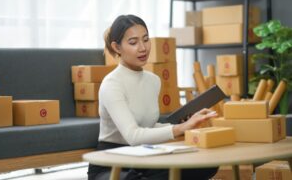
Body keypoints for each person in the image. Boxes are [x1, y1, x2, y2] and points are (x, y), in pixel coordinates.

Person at [88, 14, 218, 180]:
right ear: (117, 47)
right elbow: (134, 136)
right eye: (133, 42)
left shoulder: (153, 80)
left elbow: (147, 126)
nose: (143, 48)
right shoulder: (112, 84)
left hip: (143, 160)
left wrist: (187, 123)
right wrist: (179, 129)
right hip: (112, 164)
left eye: (146, 39)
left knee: (204, 166)